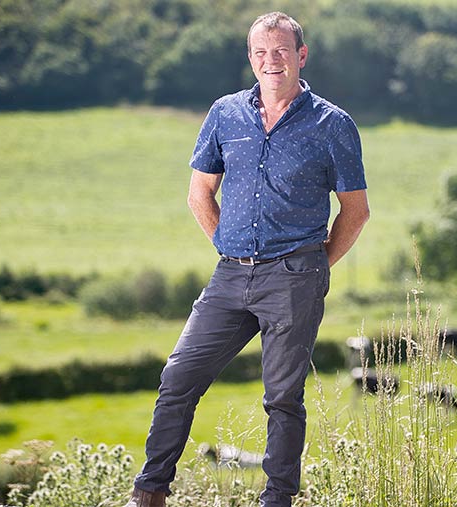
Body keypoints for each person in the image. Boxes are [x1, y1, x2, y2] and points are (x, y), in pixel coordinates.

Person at [124, 11, 370, 507]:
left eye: (280, 50)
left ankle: (277, 500)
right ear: (249, 57)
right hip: (230, 275)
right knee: (177, 378)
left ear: (301, 55)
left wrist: (315, 265)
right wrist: (228, 246)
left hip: (295, 276)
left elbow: (356, 211)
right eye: (260, 52)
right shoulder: (225, 113)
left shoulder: (332, 124)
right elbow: (199, 194)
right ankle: (149, 494)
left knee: (282, 398)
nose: (270, 61)